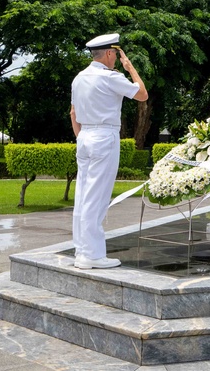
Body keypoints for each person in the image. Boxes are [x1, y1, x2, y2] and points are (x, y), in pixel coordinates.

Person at [69, 33, 147, 269]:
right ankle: (92, 255)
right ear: (111, 53)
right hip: (104, 136)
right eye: (116, 55)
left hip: (84, 136)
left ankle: (82, 250)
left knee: (83, 195)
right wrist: (130, 68)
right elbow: (142, 94)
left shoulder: (79, 78)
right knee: (97, 197)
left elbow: (73, 113)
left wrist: (83, 137)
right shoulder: (110, 77)